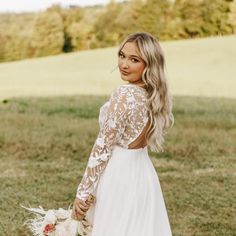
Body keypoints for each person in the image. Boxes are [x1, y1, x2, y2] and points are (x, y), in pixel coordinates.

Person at [72, 32, 174, 236]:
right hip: (143, 173)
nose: (124, 64)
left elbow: (102, 147)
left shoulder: (125, 94)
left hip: (118, 174)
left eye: (134, 59)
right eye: (122, 55)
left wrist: (83, 193)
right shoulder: (152, 94)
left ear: (149, 64)